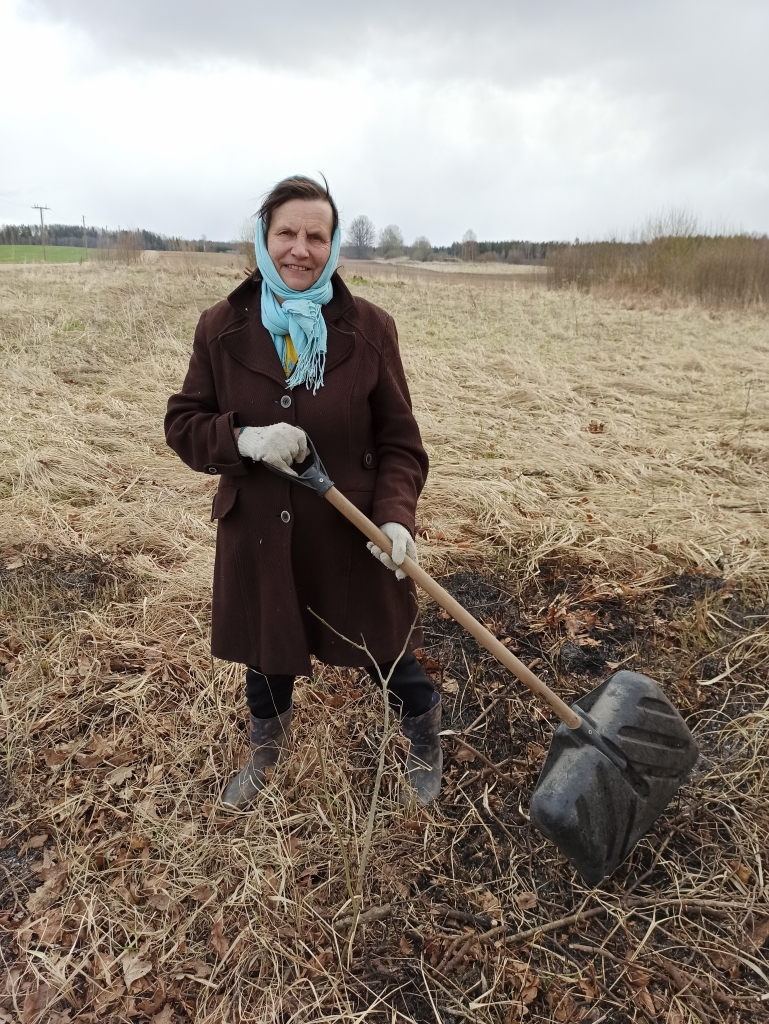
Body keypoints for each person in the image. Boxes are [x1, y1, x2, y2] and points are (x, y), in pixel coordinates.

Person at [164, 175, 442, 810]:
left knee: (388, 648)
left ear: (334, 244)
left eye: (316, 235)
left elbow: (403, 444)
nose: (300, 248)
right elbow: (182, 425)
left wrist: (397, 519)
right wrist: (244, 441)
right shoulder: (221, 327)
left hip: (350, 529)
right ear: (264, 239)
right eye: (286, 232)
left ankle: (424, 735)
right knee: (267, 649)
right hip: (259, 525)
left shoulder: (370, 329)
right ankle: (266, 746)